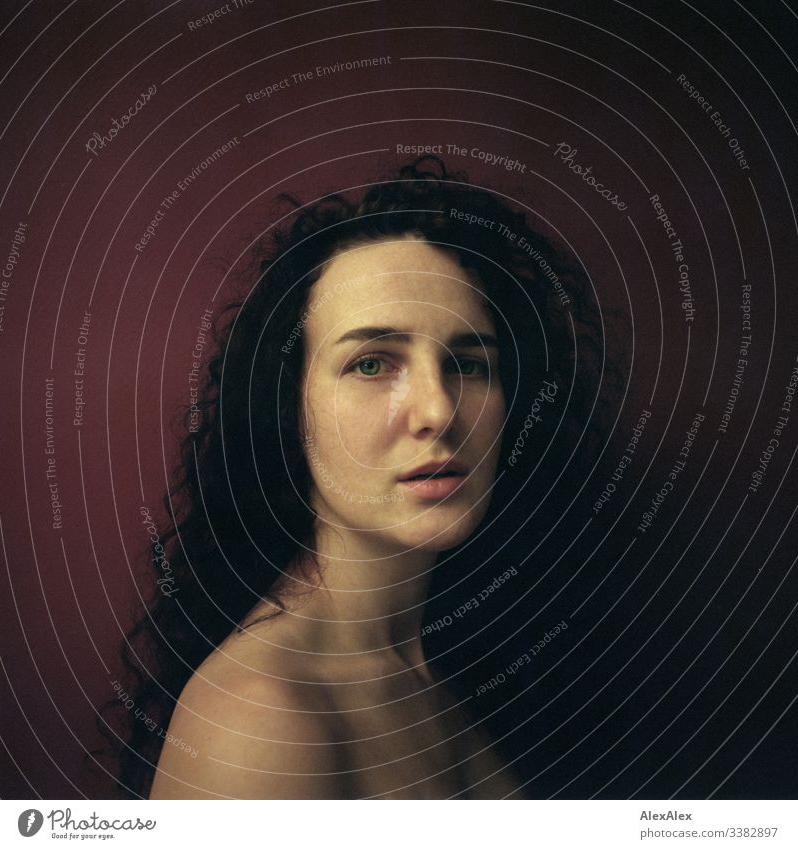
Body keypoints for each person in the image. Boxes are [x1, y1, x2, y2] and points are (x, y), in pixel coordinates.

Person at [103, 156, 603, 799]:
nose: (437, 411)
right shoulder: (263, 723)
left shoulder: (461, 660)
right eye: (372, 364)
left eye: (470, 364)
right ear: (288, 408)